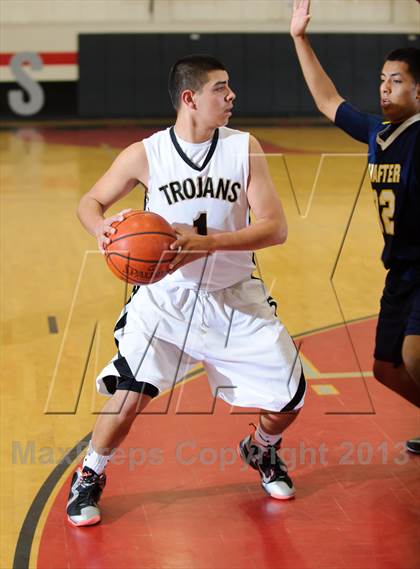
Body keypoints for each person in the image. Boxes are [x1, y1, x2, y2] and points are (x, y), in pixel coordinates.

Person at [66, 54, 306, 526]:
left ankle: (261, 449)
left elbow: (275, 229)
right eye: (221, 88)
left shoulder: (244, 147)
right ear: (190, 98)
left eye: (230, 86)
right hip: (166, 299)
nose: (232, 95)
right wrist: (100, 229)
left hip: (234, 294)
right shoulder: (145, 153)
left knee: (289, 400)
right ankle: (90, 474)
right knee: (131, 393)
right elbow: (89, 201)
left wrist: (208, 243)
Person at [290, 0, 420, 453]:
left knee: (413, 355)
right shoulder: (377, 133)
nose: (384, 88)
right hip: (401, 272)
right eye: (382, 80)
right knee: (386, 369)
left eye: (397, 81)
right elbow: (329, 101)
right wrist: (299, 39)